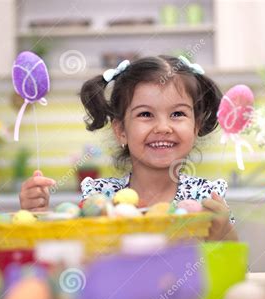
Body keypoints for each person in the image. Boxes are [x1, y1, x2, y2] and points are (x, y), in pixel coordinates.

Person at [19, 55, 237, 241]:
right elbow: (77, 261)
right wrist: (36, 216)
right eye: (145, 114)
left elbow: (237, 273)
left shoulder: (207, 198)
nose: (163, 127)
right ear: (121, 130)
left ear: (196, 126)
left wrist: (224, 234)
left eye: (177, 114)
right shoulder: (100, 198)